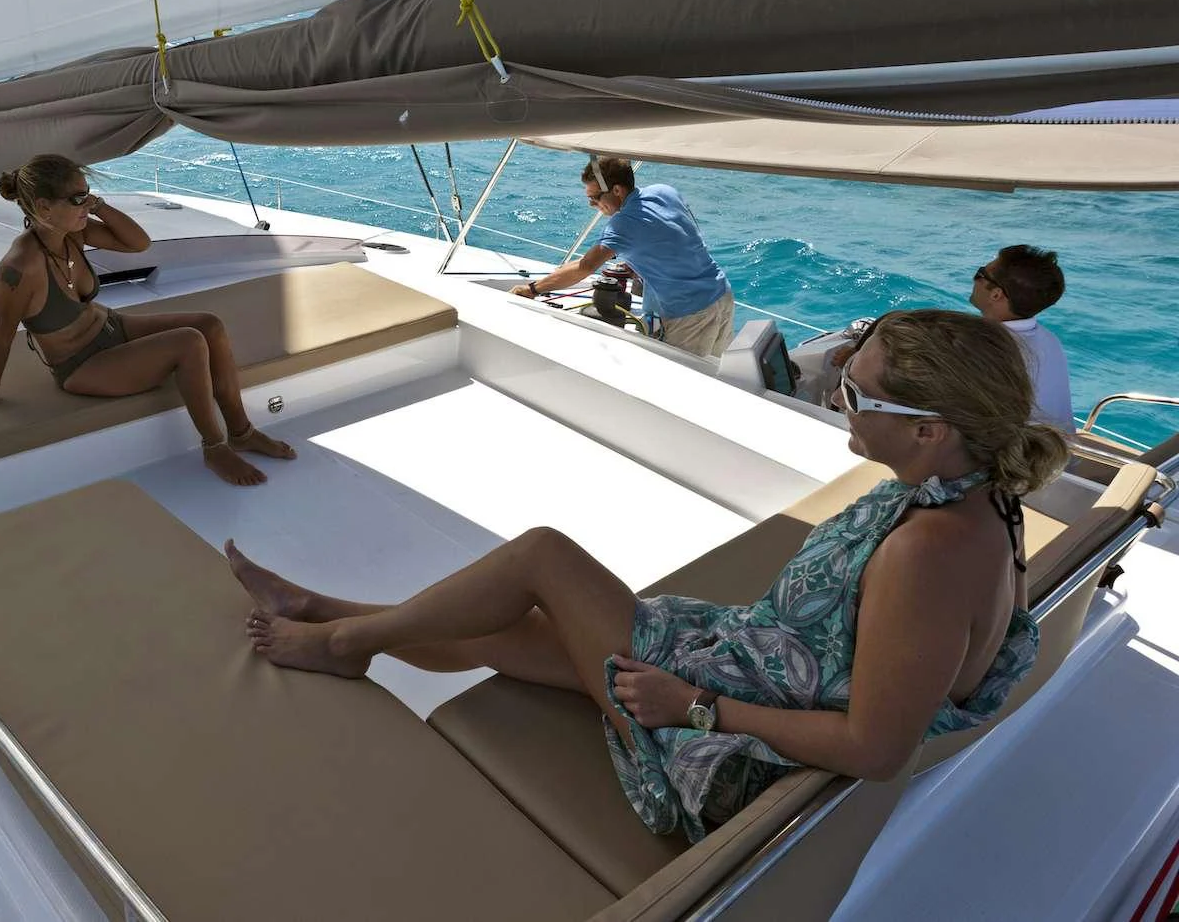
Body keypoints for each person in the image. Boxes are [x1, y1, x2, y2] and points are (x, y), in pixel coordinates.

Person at [226, 308, 1063, 841]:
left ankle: (341, 635)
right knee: (521, 628)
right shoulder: (973, 497)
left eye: (853, 393)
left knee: (541, 556)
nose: (836, 395)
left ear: (928, 432)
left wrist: (695, 706)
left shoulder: (931, 551)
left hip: (726, 750)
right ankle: (334, 615)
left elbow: (878, 748)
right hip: (754, 663)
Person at [0, 154, 296, 487]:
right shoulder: (18, 268)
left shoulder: (74, 233)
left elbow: (139, 243)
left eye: (88, 194)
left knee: (209, 324)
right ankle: (214, 446)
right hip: (82, 365)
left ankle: (241, 431)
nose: (86, 204)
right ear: (44, 207)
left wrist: (100, 206)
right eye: (77, 199)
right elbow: (3, 333)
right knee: (188, 341)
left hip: (111, 328)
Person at [514, 157, 735, 361]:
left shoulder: (624, 223)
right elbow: (678, 233)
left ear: (617, 190)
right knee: (714, 372)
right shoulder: (663, 191)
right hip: (721, 294)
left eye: (594, 198)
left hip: (689, 314)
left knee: (677, 383)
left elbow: (585, 267)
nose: (593, 205)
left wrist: (533, 289)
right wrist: (640, 261)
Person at [971, 244, 1074, 432]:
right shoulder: (1049, 339)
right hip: (1059, 454)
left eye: (980, 274)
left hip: (1019, 458)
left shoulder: (985, 348)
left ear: (996, 294)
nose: (974, 279)